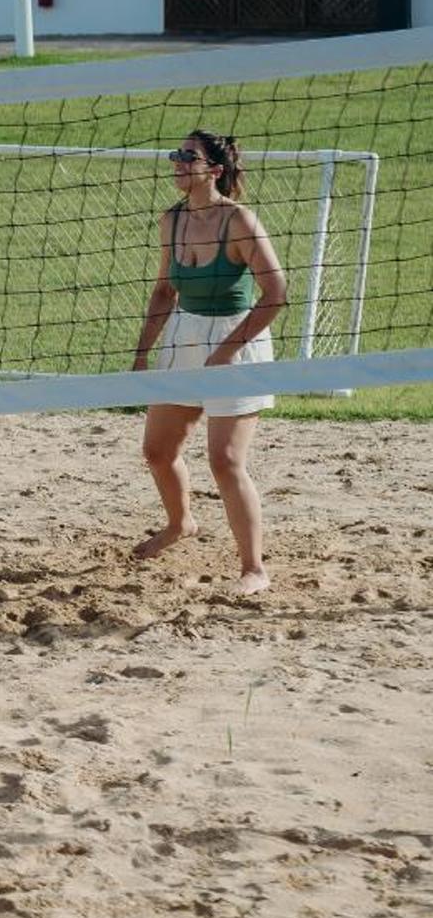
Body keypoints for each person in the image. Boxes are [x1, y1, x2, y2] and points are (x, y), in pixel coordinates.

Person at [132, 128, 288, 596]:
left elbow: (276, 293)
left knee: (225, 459)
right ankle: (180, 523)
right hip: (184, 335)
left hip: (237, 339)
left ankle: (254, 569)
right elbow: (165, 291)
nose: (177, 161)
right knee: (157, 452)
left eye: (189, 156)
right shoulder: (172, 220)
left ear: (214, 170)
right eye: (176, 154)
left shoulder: (238, 220)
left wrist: (226, 351)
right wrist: (141, 354)